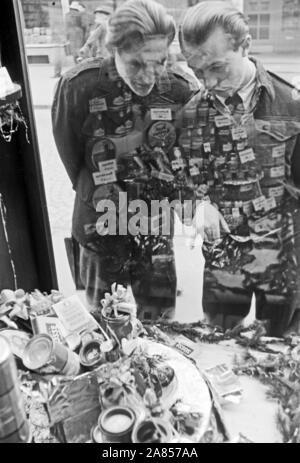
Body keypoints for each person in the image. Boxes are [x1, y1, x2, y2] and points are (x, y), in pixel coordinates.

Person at [52, 0, 196, 321]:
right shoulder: (78, 87)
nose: (148, 76)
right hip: (99, 229)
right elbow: (73, 161)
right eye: (135, 64)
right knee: (105, 333)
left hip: (155, 228)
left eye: (158, 62)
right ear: (113, 49)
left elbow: (187, 160)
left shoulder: (181, 91)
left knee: (160, 329)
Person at [179, 1, 300, 335]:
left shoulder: (292, 104)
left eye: (219, 67)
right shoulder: (189, 115)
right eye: (197, 71)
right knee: (217, 344)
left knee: (277, 351)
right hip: (222, 262)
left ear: (245, 45)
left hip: (282, 261)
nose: (209, 82)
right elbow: (178, 181)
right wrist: (196, 207)